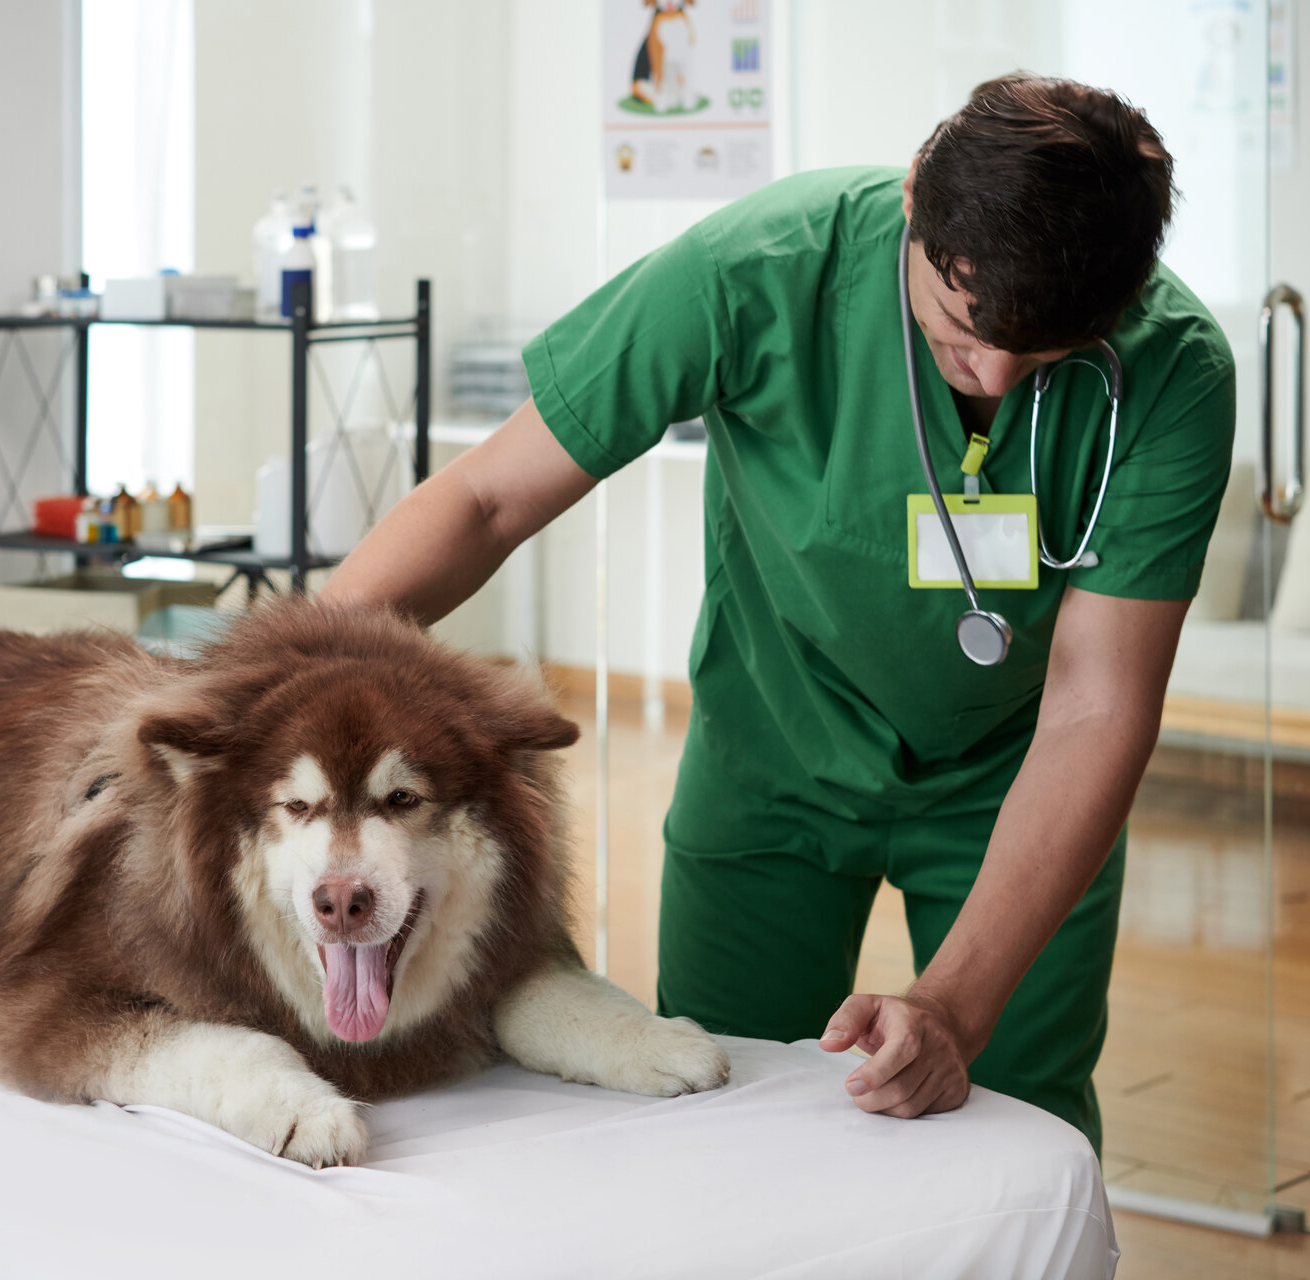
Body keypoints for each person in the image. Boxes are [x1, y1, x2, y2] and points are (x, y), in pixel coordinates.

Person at [322, 74, 1237, 1153]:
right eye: (956, 324)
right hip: (773, 745)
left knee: (1019, 1129)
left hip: (1017, 770)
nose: (991, 370)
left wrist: (955, 1004)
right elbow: (487, 498)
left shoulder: (1175, 371)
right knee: (719, 1101)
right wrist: (270, 677)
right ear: (913, 207)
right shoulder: (757, 272)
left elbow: (1097, 699)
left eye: (1041, 356)